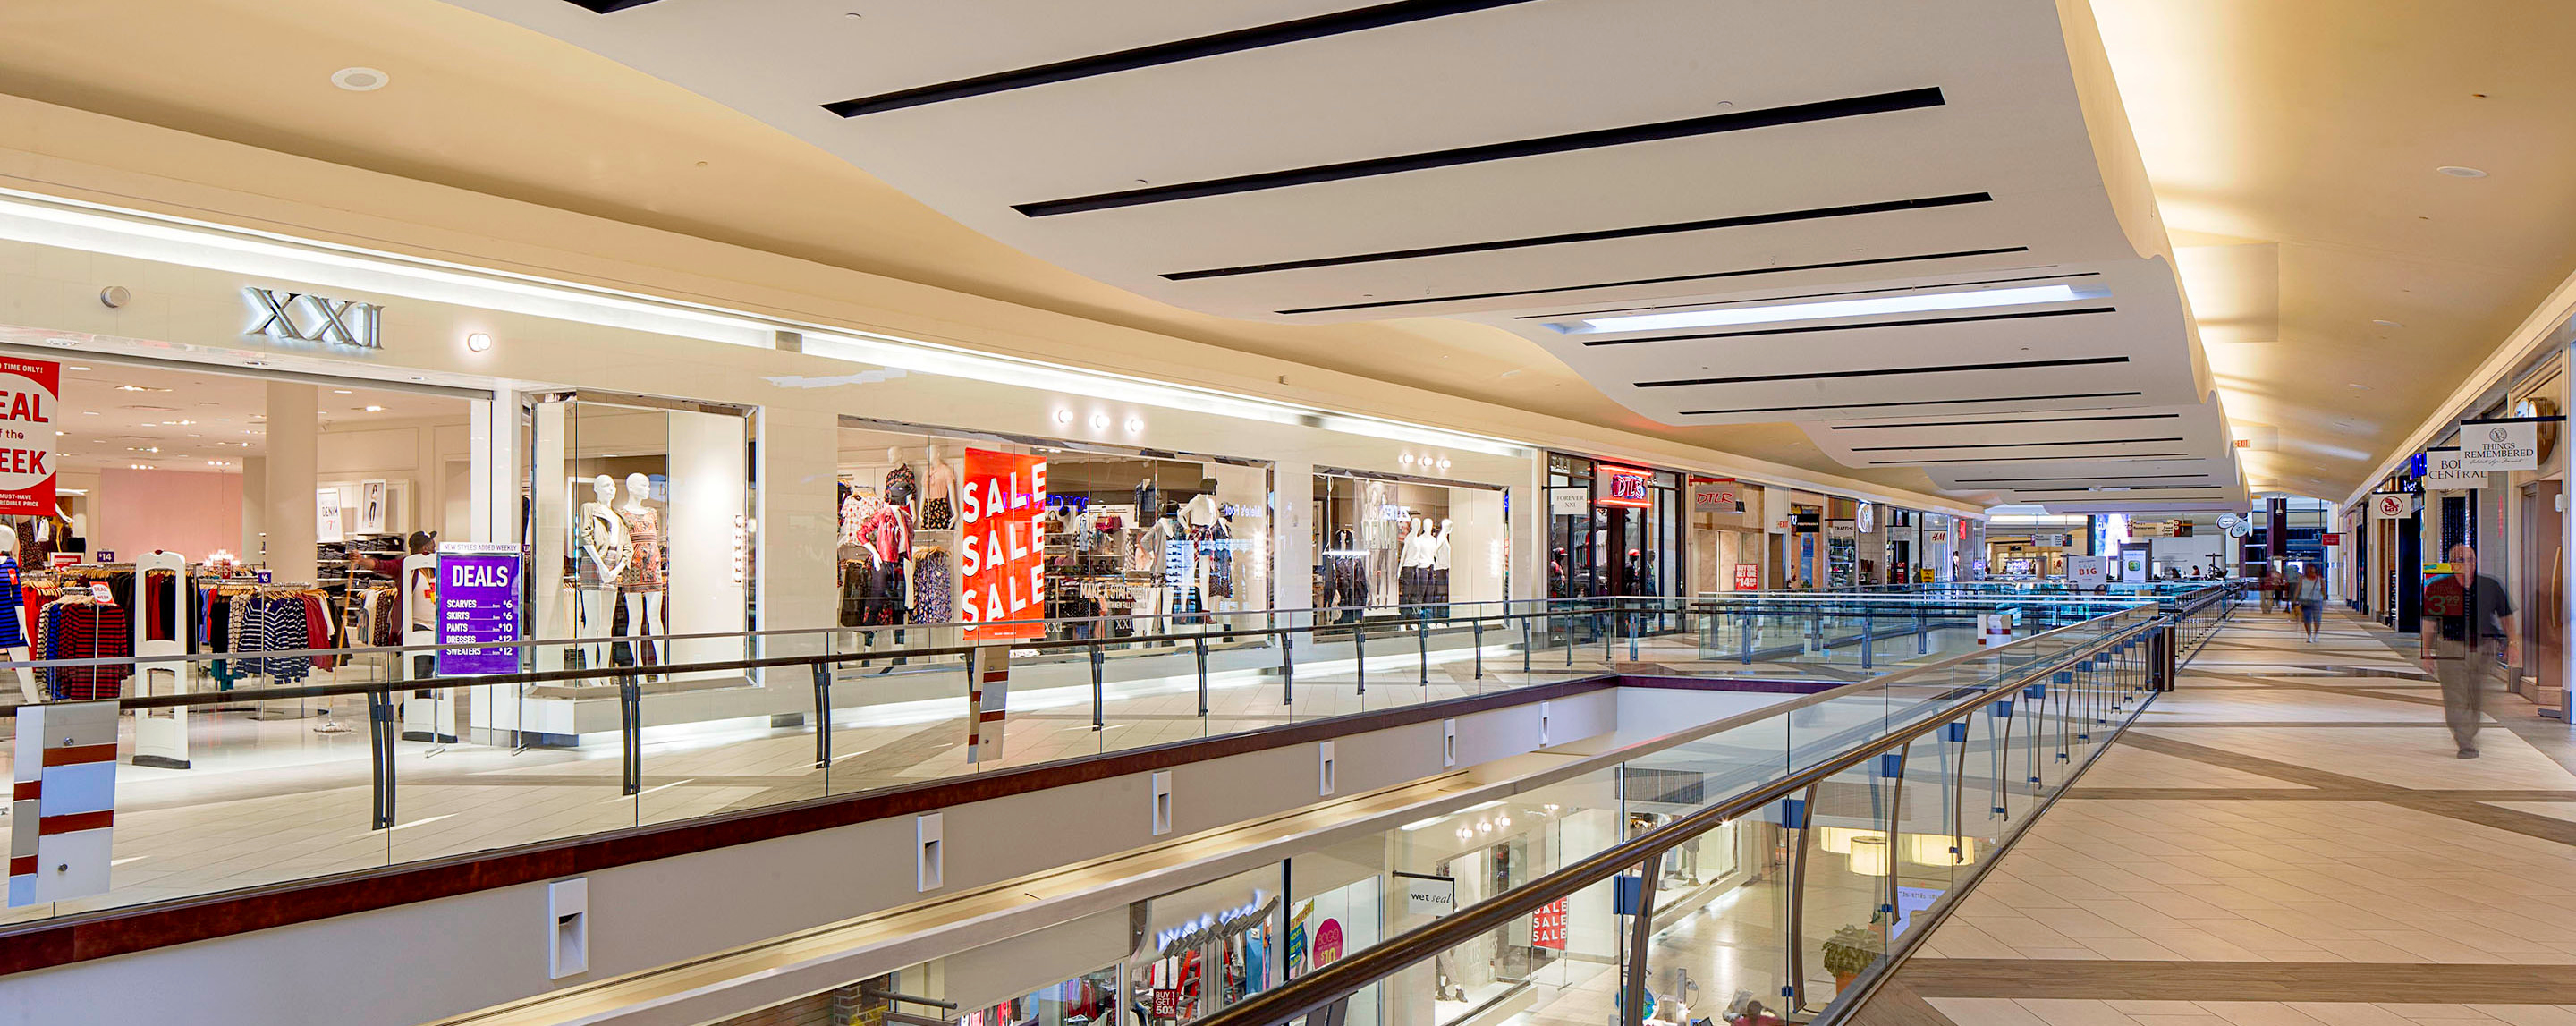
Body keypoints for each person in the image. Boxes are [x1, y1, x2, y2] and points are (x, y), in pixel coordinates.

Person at [2420, 543, 2517, 759]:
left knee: (2476, 694)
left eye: (2470, 559)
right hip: (2451, 647)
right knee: (2455, 696)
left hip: (2484, 647)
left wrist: (2513, 644)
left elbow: (2506, 617)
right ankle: (2465, 741)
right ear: (2451, 564)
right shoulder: (2438, 587)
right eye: (2459, 559)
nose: (2466, 564)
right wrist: (2426, 652)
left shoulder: (2490, 586)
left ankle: (2469, 733)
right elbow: (2429, 623)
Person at [2293, 563, 2326, 640]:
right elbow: (2298, 589)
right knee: (2306, 620)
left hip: (2317, 601)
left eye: (2312, 569)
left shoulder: (2320, 579)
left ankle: (2316, 633)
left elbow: (2324, 590)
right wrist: (2295, 599)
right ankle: (2309, 635)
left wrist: (2324, 598)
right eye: (2309, 569)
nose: (2310, 571)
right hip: (2305, 602)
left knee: (2317, 619)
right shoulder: (2303, 579)